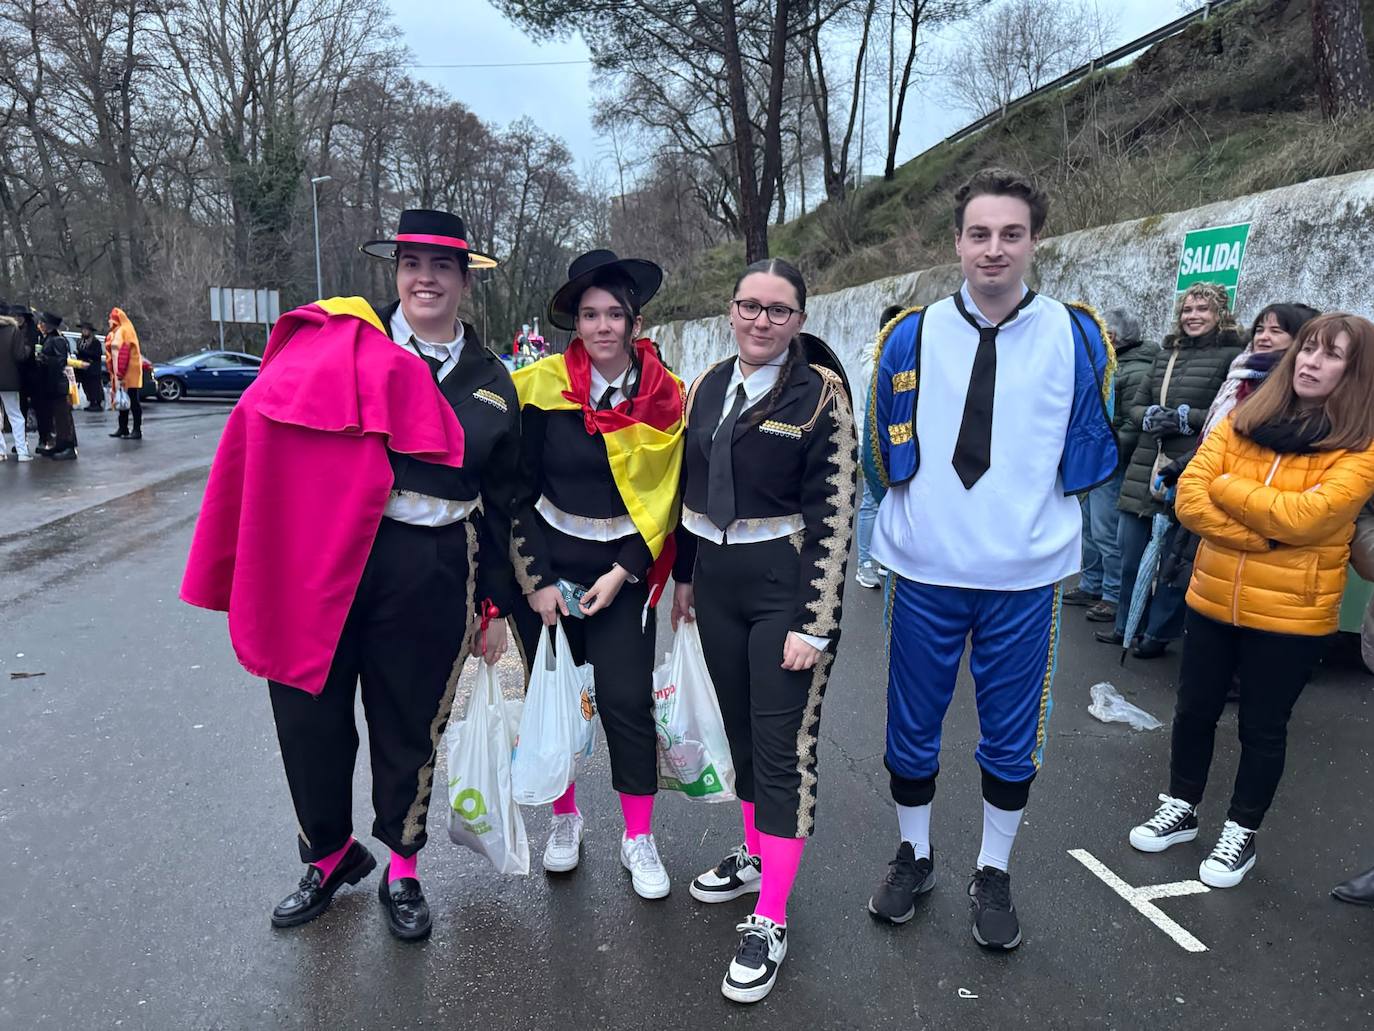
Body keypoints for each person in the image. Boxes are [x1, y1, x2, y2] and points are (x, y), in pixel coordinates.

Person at [182, 208, 518, 942]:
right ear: (396, 273)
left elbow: (504, 499)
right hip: (330, 554)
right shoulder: (339, 345)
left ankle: (402, 868)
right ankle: (329, 854)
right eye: (411, 263)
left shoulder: (495, 379)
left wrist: (496, 602)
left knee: (409, 722)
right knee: (307, 713)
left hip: (432, 566)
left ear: (465, 280)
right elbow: (268, 420)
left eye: (441, 266)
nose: (424, 277)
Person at [863, 168, 1118, 950]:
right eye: (980, 233)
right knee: (912, 728)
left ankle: (994, 867)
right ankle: (915, 851)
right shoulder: (909, 332)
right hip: (924, 569)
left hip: (1023, 577)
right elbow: (881, 447)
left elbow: (1088, 444)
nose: (994, 248)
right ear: (958, 242)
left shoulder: (1076, 334)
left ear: (1034, 240)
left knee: (1011, 740)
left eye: (1011, 233)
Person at [1128, 313, 1374, 888]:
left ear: (1357, 371)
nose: (1311, 361)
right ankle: (1181, 807)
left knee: (1263, 729)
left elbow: (1309, 516)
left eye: (1332, 354)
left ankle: (1241, 833)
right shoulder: (1245, 415)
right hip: (1211, 596)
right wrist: (1260, 533)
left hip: (1292, 614)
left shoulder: (1360, 449)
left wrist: (1229, 489)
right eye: (1308, 349)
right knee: (1193, 713)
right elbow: (1190, 495)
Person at [671, 257, 855, 1003]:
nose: (761, 320)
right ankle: (752, 855)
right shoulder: (709, 383)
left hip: (784, 585)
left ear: (799, 320)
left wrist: (816, 623)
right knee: (740, 734)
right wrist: (683, 577)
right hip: (715, 582)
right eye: (750, 305)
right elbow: (689, 487)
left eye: (778, 310)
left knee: (781, 749)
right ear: (731, 309)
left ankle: (771, 915)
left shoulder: (821, 396)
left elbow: (837, 517)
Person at [508, 249, 685, 897]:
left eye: (616, 313)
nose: (604, 325)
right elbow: (517, 492)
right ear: (574, 323)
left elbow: (668, 495)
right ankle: (565, 819)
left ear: (635, 321)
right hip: (552, 578)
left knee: (625, 706)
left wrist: (628, 569)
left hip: (624, 576)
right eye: (590, 314)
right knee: (552, 703)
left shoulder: (667, 396)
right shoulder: (540, 388)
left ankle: (637, 836)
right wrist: (539, 579)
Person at [1095, 283, 1243, 659]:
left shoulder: (1233, 356)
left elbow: (1228, 413)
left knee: (1174, 562)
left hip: (1190, 465)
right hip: (1147, 462)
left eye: (1202, 309)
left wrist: (1184, 419)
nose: (1193, 316)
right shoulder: (1166, 353)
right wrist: (1147, 415)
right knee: (1130, 553)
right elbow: (1137, 403)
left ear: (1220, 313)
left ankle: (1157, 635)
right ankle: (1126, 626)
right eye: (1188, 309)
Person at [1072, 308, 1154, 624]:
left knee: (1106, 531)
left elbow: (1130, 425)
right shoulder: (1110, 364)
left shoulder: (1133, 370)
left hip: (1111, 463)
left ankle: (1112, 595)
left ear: (1114, 337)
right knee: (1090, 528)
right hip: (1096, 459)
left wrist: (1103, 451)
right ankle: (1091, 585)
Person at [855, 304, 904, 589]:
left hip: (890, 438)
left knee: (888, 500)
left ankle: (882, 560)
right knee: (872, 501)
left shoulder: (882, 356)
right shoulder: (876, 360)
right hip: (872, 436)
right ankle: (864, 564)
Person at [35, 312, 78, 460]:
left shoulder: (58, 340)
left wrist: (44, 358)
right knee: (57, 416)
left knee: (63, 416)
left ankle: (69, 446)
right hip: (50, 383)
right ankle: (60, 443)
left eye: (43, 323)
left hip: (58, 383)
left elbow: (61, 362)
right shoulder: (48, 339)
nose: (40, 325)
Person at [0, 304, 32, 462]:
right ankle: (22, 451)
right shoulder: (14, 331)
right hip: (9, 380)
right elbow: (20, 356)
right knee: (15, 415)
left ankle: (0, 451)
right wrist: (28, 349)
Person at [106, 308, 143, 440]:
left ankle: (135, 429)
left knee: (132, 401)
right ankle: (124, 428)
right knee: (124, 401)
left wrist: (119, 373)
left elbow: (122, 353)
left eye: (110, 319)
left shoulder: (123, 331)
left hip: (128, 373)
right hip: (129, 372)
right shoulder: (125, 330)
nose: (109, 322)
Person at [74, 321, 104, 411]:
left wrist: (84, 352)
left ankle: (96, 403)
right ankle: (91, 402)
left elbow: (97, 354)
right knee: (87, 386)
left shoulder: (95, 342)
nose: (84, 332)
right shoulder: (80, 341)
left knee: (94, 386)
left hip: (93, 368)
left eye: (86, 330)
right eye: (83, 330)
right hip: (83, 368)